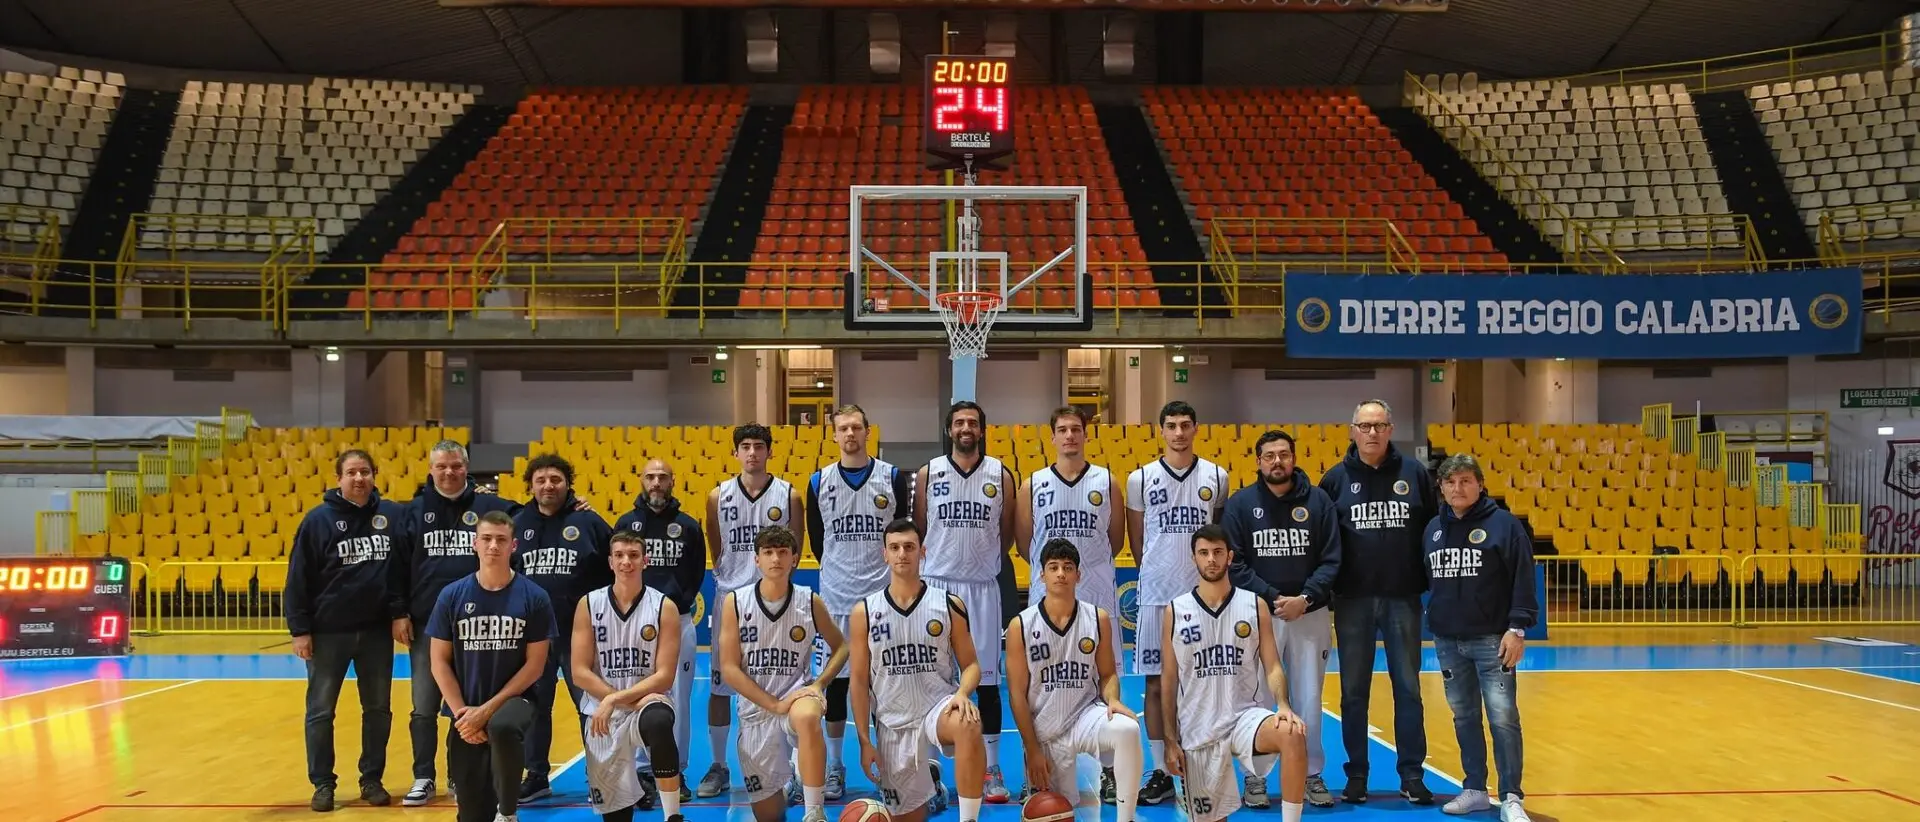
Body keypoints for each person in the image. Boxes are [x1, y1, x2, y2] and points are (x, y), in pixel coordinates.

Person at [1316, 400, 1435, 805]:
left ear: (1390, 429)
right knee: (1353, 692)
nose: (1372, 433)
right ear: (1352, 430)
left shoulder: (1415, 474)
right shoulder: (1335, 480)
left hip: (1403, 597)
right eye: (1365, 426)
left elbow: (1433, 529)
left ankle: (1412, 774)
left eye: (1379, 425)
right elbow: (1323, 540)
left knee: (1409, 688)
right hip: (1353, 600)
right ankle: (1357, 774)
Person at [390, 440, 520, 807]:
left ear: (467, 468)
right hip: (426, 625)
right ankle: (423, 775)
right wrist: (399, 612)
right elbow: (397, 566)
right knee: (424, 704)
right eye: (441, 466)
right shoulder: (412, 513)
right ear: (431, 469)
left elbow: (533, 518)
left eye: (456, 466)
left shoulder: (490, 508)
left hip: (475, 626)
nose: (449, 472)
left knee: (463, 704)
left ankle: (458, 775)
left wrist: (576, 504)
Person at [1222, 430, 1342, 808]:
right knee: (1256, 694)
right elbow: (1235, 563)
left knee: (1309, 696)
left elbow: (1332, 559)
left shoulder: (1319, 502)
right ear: (1258, 461)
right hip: (1258, 615)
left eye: (1284, 454)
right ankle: (1255, 777)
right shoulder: (1241, 504)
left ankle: (1311, 774)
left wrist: (1305, 598)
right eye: (1270, 455)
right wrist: (1274, 598)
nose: (1277, 461)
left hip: (1310, 612)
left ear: (1294, 458)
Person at [1014, 406, 1126, 803]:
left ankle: (1109, 770)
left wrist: (1086, 569)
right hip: (1048, 594)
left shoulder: (1107, 481)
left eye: (1076, 429)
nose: (1069, 436)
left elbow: (1115, 540)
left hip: (1095, 589)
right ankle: (1035, 763)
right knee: (1040, 679)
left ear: (1085, 435)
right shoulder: (1033, 484)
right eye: (1062, 430)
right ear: (1052, 437)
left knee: (1104, 676)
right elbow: (1025, 543)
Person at [286, 448, 408, 813]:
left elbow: (401, 569)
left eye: (365, 472)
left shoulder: (391, 516)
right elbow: (298, 578)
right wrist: (299, 629)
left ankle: (371, 779)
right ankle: (323, 783)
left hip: (375, 632)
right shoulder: (317, 521)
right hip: (328, 633)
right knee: (321, 711)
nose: (359, 478)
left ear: (374, 476)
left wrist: (399, 612)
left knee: (378, 709)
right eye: (352, 472)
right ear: (338, 478)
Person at [1162, 524, 1309, 822]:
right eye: (1204, 553)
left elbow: (1273, 665)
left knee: (1292, 733)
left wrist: (1283, 705)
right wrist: (1169, 740)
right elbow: (1168, 680)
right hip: (1198, 728)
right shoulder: (1175, 610)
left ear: (1229, 557)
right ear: (1193, 558)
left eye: (1218, 552)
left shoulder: (1254, 605)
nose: (1211, 559)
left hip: (1244, 717)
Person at [805, 403, 916, 800]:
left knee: (885, 685)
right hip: (837, 597)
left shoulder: (892, 477)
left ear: (869, 431)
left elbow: (901, 532)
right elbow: (817, 541)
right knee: (836, 687)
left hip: (882, 599)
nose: (850, 434)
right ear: (834, 435)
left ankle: (889, 764)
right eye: (843, 428)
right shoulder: (818, 481)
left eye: (856, 427)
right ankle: (836, 765)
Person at [1123, 400, 1227, 806]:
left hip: (1201, 597)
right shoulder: (1140, 478)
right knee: (1154, 683)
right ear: (1161, 430)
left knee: (1202, 682)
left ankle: (1200, 766)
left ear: (1196, 428)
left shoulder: (1217, 476)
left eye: (1186, 424)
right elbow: (1137, 540)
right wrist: (1157, 570)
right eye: (1171, 425)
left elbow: (1216, 535)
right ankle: (1161, 771)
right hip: (1155, 594)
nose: (1179, 432)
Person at [913, 400, 1019, 802]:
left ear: (982, 430)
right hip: (937, 586)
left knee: (987, 682)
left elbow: (1005, 535)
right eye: (959, 422)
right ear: (949, 430)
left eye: (972, 422)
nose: (965, 428)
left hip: (981, 587)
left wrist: (981, 561)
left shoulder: (1000, 474)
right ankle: (930, 770)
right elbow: (921, 528)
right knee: (932, 680)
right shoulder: (928, 473)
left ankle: (992, 768)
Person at [849, 519, 988, 822]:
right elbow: (858, 682)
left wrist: (963, 693)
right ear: (885, 554)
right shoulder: (864, 612)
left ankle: (969, 819)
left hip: (937, 709)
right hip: (893, 722)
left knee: (967, 722)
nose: (902, 554)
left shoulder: (948, 604)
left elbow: (972, 666)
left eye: (909, 547)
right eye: (895, 548)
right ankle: (933, 790)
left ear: (922, 552)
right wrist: (864, 741)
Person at [1423, 454, 1537, 822]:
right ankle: (1474, 788)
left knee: (1503, 718)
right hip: (1447, 641)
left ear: (1480, 485)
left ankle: (1511, 796)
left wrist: (1517, 629)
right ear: (1441, 487)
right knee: (1464, 716)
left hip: (1493, 640)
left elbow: (1523, 578)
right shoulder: (1433, 529)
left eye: (1465, 481)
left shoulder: (1504, 525)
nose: (1457, 488)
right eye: (1450, 482)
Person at [696, 423, 805, 800]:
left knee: (782, 682)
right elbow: (717, 547)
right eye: (745, 446)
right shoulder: (717, 496)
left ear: (770, 451)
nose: (753, 452)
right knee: (720, 686)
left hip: (775, 601)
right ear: (736, 452)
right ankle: (718, 764)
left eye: (759, 446)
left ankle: (789, 768)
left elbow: (795, 546)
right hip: (731, 598)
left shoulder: (789, 494)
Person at [426, 510, 554, 822]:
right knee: (471, 812)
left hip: (517, 700)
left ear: (514, 545)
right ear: (475, 544)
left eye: (501, 539)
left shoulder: (534, 597)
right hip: (465, 708)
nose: (493, 546)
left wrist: (486, 710)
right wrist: (462, 714)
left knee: (503, 726)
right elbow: (439, 661)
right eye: (486, 539)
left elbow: (535, 666)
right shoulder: (452, 596)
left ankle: (508, 814)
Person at [716, 525, 850, 822]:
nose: (775, 558)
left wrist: (819, 684)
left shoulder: (809, 600)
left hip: (796, 695)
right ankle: (790, 779)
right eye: (768, 552)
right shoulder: (735, 602)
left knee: (807, 716)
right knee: (769, 815)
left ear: (794, 559)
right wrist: (774, 705)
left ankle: (814, 811)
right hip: (756, 710)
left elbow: (841, 647)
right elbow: (729, 669)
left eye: (782, 552)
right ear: (757, 560)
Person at [1004, 538, 1143, 820]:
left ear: (1078, 575)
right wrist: (1031, 748)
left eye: (1068, 567)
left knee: (1128, 729)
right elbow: (1016, 694)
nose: (1061, 574)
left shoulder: (1097, 618)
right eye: (1053, 567)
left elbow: (1107, 674)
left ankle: (1126, 818)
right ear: (1041, 575)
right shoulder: (1021, 625)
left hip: (1084, 715)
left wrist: (1113, 699)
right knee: (1053, 811)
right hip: (1045, 729)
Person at [512, 453, 616, 802]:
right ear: (530, 486)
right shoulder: (517, 523)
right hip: (533, 637)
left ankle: (599, 774)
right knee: (535, 707)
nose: (548, 486)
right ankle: (536, 775)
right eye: (540, 480)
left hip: (580, 634)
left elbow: (614, 569)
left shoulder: (589, 522)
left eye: (555, 479)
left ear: (568, 484)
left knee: (589, 706)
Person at [569, 530, 689, 822]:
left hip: (647, 704)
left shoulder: (664, 606)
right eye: (619, 556)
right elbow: (579, 672)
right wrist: (617, 700)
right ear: (610, 562)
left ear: (645, 561)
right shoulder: (589, 604)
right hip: (604, 713)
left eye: (634, 555)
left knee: (659, 721)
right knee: (616, 816)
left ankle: (673, 816)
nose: (626, 562)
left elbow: (664, 676)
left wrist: (616, 700)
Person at [610, 457, 704, 807]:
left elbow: (696, 573)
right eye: (650, 476)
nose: (656, 482)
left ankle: (674, 771)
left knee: (678, 698)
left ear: (672, 481)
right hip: (634, 622)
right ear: (641, 480)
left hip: (677, 621)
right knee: (635, 694)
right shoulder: (626, 523)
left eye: (662, 477)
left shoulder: (688, 526)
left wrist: (676, 602)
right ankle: (639, 773)